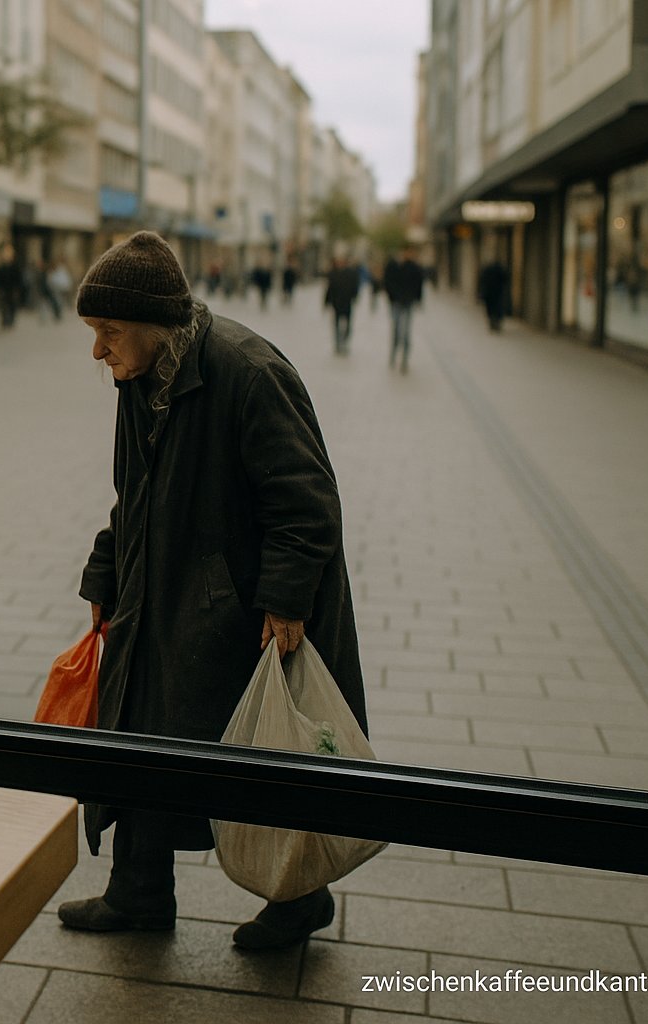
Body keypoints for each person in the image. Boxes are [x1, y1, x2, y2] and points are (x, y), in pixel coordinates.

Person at [57, 231, 366, 951]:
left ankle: (299, 898)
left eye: (108, 331)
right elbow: (132, 493)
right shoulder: (141, 377)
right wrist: (105, 571)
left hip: (242, 612)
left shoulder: (249, 372)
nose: (98, 350)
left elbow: (306, 501)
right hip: (166, 595)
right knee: (140, 735)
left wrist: (286, 599)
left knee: (261, 749)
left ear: (153, 324)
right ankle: (138, 892)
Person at [382, 246, 424, 373]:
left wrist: (417, 299)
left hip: (407, 303)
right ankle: (393, 355)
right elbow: (387, 282)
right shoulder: (393, 265)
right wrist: (392, 296)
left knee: (405, 331)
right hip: (396, 302)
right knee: (396, 329)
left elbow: (418, 284)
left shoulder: (413, 267)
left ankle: (404, 359)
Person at [323, 255, 360, 355]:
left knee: (347, 325)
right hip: (336, 303)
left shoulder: (351, 273)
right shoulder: (333, 273)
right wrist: (326, 301)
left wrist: (354, 296)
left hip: (347, 302)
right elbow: (329, 288)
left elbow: (355, 286)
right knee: (336, 324)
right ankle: (338, 344)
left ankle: (344, 342)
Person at [477, 257, 511, 332]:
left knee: (490, 309)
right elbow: (505, 279)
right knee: (497, 308)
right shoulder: (500, 270)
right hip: (497, 293)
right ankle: (496, 323)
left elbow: (482, 281)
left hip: (489, 294)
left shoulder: (487, 270)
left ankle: (492, 323)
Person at [0, 245, 22, 329]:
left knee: (12, 305)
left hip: (12, 290)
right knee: (4, 306)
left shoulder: (15, 267)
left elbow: (18, 279)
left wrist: (17, 290)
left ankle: (11, 320)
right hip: (4, 290)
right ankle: (5, 320)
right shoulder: (1, 268)